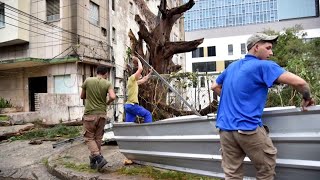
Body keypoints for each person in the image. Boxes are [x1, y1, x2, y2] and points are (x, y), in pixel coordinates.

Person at [211, 33, 315, 179]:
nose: (271, 53)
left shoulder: (233, 66)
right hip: (248, 129)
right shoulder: (264, 66)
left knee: (232, 174)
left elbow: (214, 86)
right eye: (268, 48)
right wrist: (307, 98)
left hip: (225, 130)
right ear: (256, 47)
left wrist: (234, 98)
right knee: (266, 169)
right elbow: (300, 83)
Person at [80, 65, 116, 171]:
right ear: (106, 74)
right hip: (102, 115)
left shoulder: (88, 80)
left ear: (97, 72)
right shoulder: (107, 83)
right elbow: (113, 96)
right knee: (98, 138)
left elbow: (82, 96)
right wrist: (107, 102)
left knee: (89, 138)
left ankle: (98, 157)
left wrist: (91, 95)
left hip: (90, 114)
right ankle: (94, 161)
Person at [124, 56, 153, 123]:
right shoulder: (131, 78)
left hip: (128, 106)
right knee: (147, 114)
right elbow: (140, 69)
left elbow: (144, 79)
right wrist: (137, 59)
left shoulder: (134, 82)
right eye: (139, 74)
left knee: (129, 124)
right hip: (132, 105)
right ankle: (149, 131)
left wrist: (150, 73)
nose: (140, 75)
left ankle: (126, 133)